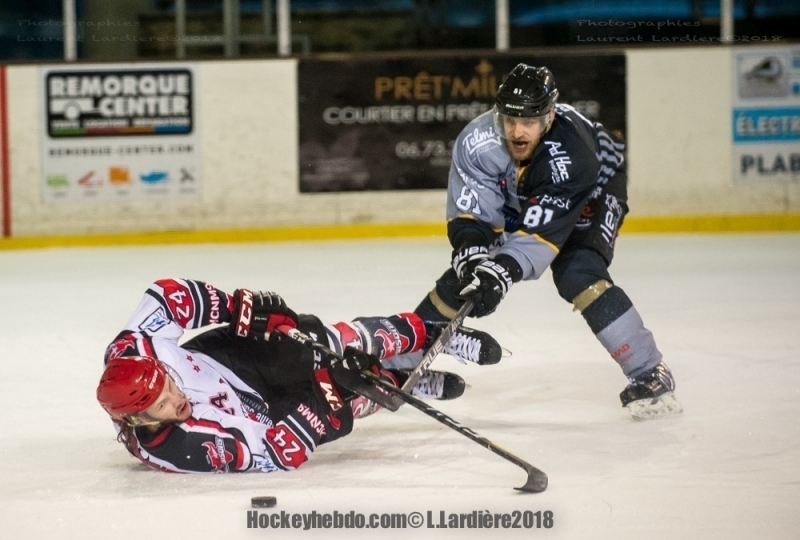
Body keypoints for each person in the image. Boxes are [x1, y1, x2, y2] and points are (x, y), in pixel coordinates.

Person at [412, 63, 682, 420]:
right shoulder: (478, 142)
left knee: (578, 271)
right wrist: (473, 255)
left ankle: (649, 371)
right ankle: (403, 362)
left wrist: (502, 272)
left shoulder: (574, 156)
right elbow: (472, 215)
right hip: (525, 189)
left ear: (549, 116)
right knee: (467, 277)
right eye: (510, 120)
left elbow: (538, 239)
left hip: (593, 187)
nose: (517, 131)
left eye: (529, 121)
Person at [97, 278, 500, 473]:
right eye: (161, 406)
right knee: (348, 402)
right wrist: (329, 395)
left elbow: (169, 296)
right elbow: (273, 454)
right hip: (262, 420)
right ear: (137, 421)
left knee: (321, 341)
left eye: (167, 384)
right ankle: (396, 380)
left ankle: (432, 335)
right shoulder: (175, 448)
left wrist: (238, 308)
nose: (174, 399)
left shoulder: (134, 347)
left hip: (228, 361)